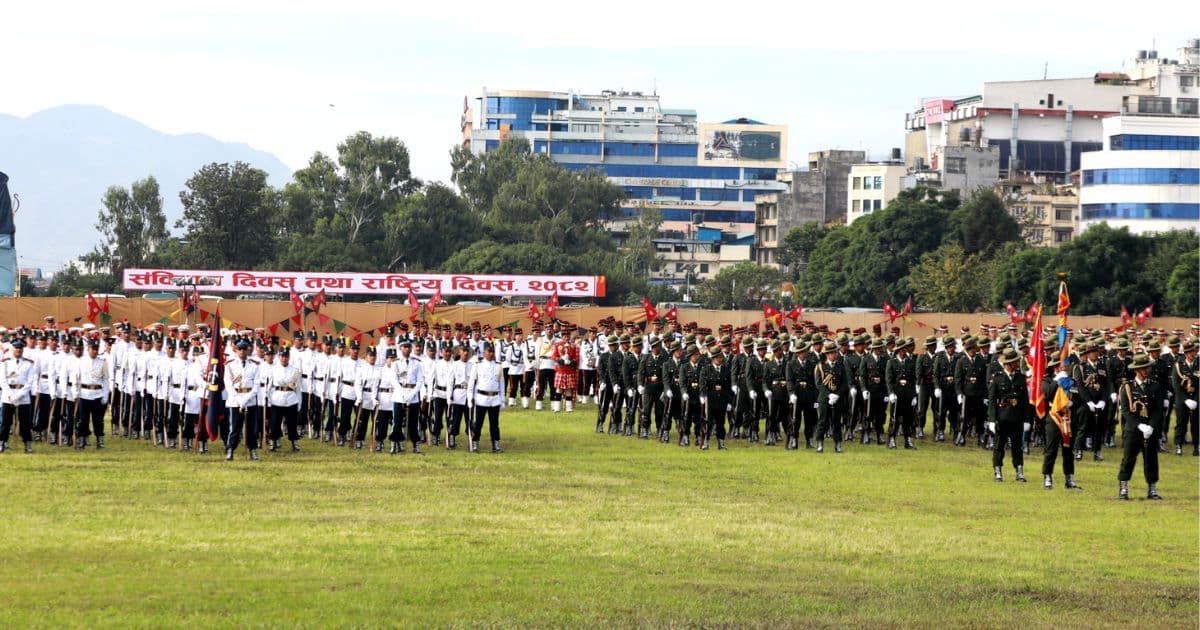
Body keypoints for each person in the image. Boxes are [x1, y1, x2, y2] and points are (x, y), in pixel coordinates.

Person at [1117, 352, 1164, 500]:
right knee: (1128, 458)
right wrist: (1139, 426)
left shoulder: (1155, 386)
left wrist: (1151, 426)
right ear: (1136, 370)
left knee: (1151, 459)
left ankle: (1152, 488)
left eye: (1147, 368)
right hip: (1133, 430)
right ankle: (1123, 488)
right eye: (1142, 368)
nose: (1145, 371)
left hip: (1150, 429)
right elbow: (1125, 411)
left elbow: (1158, 409)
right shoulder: (1127, 387)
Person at [988, 348, 1029, 482]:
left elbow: (1024, 401)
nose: (1018, 363)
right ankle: (998, 470)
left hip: (1016, 418)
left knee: (1017, 446)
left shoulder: (1021, 378)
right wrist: (992, 420)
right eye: (1015, 361)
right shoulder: (997, 378)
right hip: (1002, 417)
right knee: (999, 446)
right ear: (1009, 363)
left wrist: (1027, 419)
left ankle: (1019, 470)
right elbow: (993, 400)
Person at [1041, 357, 1081, 490]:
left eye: (1064, 366)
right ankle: (1047, 476)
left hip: (1068, 417)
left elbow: (1078, 398)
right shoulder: (1047, 380)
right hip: (1054, 417)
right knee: (1051, 449)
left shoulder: (1071, 380)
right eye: (1060, 366)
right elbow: (1047, 394)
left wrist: (1072, 403)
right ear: (1055, 367)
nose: (1063, 368)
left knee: (1068, 449)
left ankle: (1069, 478)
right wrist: (1057, 380)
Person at [223, 339, 262, 461]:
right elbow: (228, 385)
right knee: (234, 428)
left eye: (245, 349)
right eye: (240, 349)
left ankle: (252, 450)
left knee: (251, 428)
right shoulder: (230, 365)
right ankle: (230, 450)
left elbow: (256, 386)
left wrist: (246, 400)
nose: (242, 351)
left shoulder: (254, 366)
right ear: (236, 350)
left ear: (248, 350)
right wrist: (239, 400)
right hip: (235, 401)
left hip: (249, 400)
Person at [0, 339, 39, 453]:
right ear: (12, 348)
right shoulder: (5, 362)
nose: (18, 350)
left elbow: (30, 382)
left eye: (20, 348)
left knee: (25, 423)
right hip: (8, 395)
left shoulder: (29, 363)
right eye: (16, 348)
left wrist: (19, 395)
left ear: (23, 349)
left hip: (23, 396)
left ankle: (27, 444)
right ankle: (2, 442)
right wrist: (11, 395)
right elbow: (2, 381)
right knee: (6, 422)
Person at [468, 342, 505, 453]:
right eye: (489, 351)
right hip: (481, 399)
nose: (491, 353)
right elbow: (471, 383)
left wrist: (502, 400)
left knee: (494, 424)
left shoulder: (498, 366)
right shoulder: (478, 365)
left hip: (494, 399)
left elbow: (501, 385)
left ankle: (496, 444)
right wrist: (470, 398)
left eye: (492, 351)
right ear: (484, 352)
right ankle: (475, 443)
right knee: (478, 423)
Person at [392, 340, 425, 454]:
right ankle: (395, 444)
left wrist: (412, 394)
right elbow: (394, 380)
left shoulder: (417, 363)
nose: (406, 349)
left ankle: (416, 445)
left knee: (413, 422)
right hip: (399, 395)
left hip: (413, 395)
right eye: (404, 347)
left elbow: (420, 381)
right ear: (400, 348)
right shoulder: (395, 363)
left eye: (408, 347)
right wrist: (402, 393)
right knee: (397, 422)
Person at [814, 340, 847, 453]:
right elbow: (818, 384)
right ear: (827, 354)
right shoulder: (820, 367)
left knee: (837, 421)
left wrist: (837, 395)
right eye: (832, 353)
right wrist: (829, 395)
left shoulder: (841, 366)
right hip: (824, 398)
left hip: (837, 398)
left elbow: (844, 383)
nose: (835, 354)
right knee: (822, 421)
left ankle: (838, 444)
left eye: (835, 352)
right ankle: (820, 443)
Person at [886, 337, 919, 450]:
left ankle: (908, 440)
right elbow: (889, 379)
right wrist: (891, 393)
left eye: (905, 349)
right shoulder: (891, 362)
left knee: (908, 418)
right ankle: (892, 439)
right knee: (894, 418)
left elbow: (913, 380)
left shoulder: (910, 362)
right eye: (903, 349)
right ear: (898, 350)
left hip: (908, 395)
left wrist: (914, 395)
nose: (905, 351)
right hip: (897, 394)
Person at [269, 344, 303, 452]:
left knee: (292, 423)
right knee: (275, 422)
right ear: (279, 357)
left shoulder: (295, 371)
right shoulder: (273, 370)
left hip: (291, 399)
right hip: (277, 399)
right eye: (282, 356)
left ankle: (294, 442)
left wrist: (299, 403)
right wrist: (269, 400)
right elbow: (269, 387)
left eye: (286, 356)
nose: (284, 358)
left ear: (289, 357)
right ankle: (273, 441)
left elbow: (298, 388)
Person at [698, 342, 730, 450]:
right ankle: (705, 442)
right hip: (710, 399)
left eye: (720, 357)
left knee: (721, 422)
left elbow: (728, 387)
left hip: (721, 400)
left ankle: (721, 443)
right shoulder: (706, 370)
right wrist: (702, 396)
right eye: (717, 357)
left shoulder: (725, 370)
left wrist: (729, 401)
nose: (719, 359)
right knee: (708, 422)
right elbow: (702, 384)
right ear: (713, 358)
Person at [1171, 339, 1197, 456]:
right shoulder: (1178, 366)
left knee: (1196, 423)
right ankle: (1178, 445)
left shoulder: (1198, 364)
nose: (1192, 354)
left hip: (1196, 398)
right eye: (1190, 352)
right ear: (1185, 354)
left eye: (1193, 351)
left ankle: (1197, 446)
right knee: (1181, 423)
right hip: (1182, 399)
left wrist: (1196, 400)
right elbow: (1176, 385)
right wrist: (1186, 399)